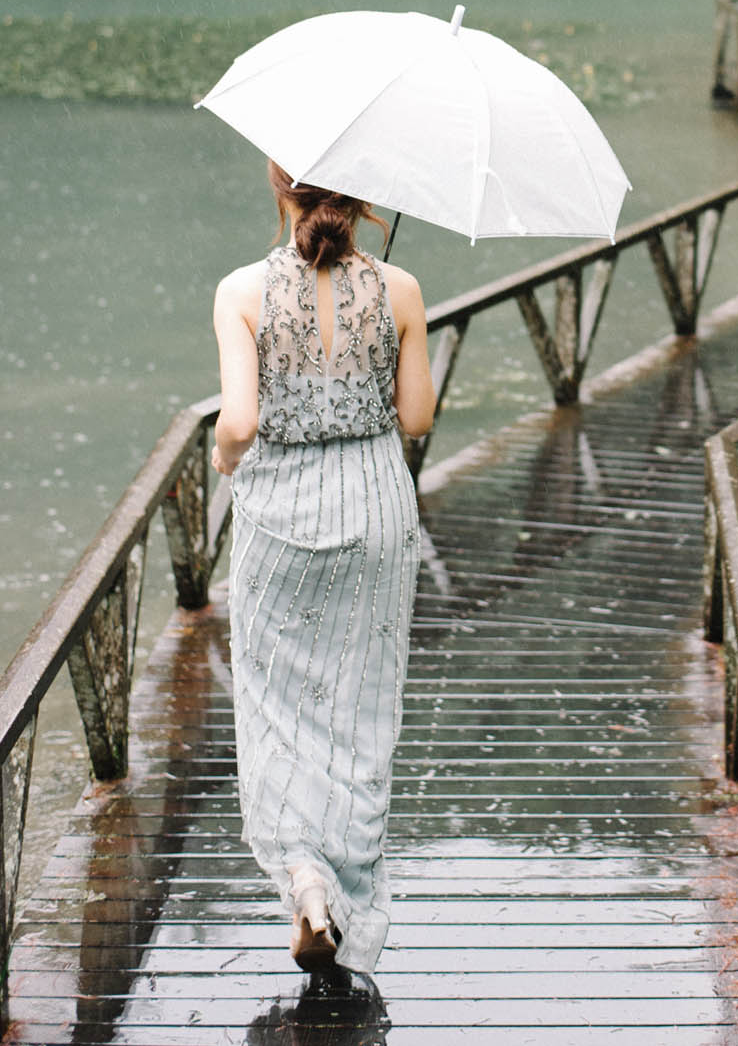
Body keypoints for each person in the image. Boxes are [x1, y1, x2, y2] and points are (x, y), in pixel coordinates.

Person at [211, 162, 434, 978]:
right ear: (365, 195)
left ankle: (304, 880)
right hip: (375, 504)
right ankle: (343, 886)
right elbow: (415, 418)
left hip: (281, 515)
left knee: (276, 702)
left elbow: (240, 421)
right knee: (360, 700)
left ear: (279, 188)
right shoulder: (400, 288)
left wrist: (222, 453)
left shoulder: (240, 290)